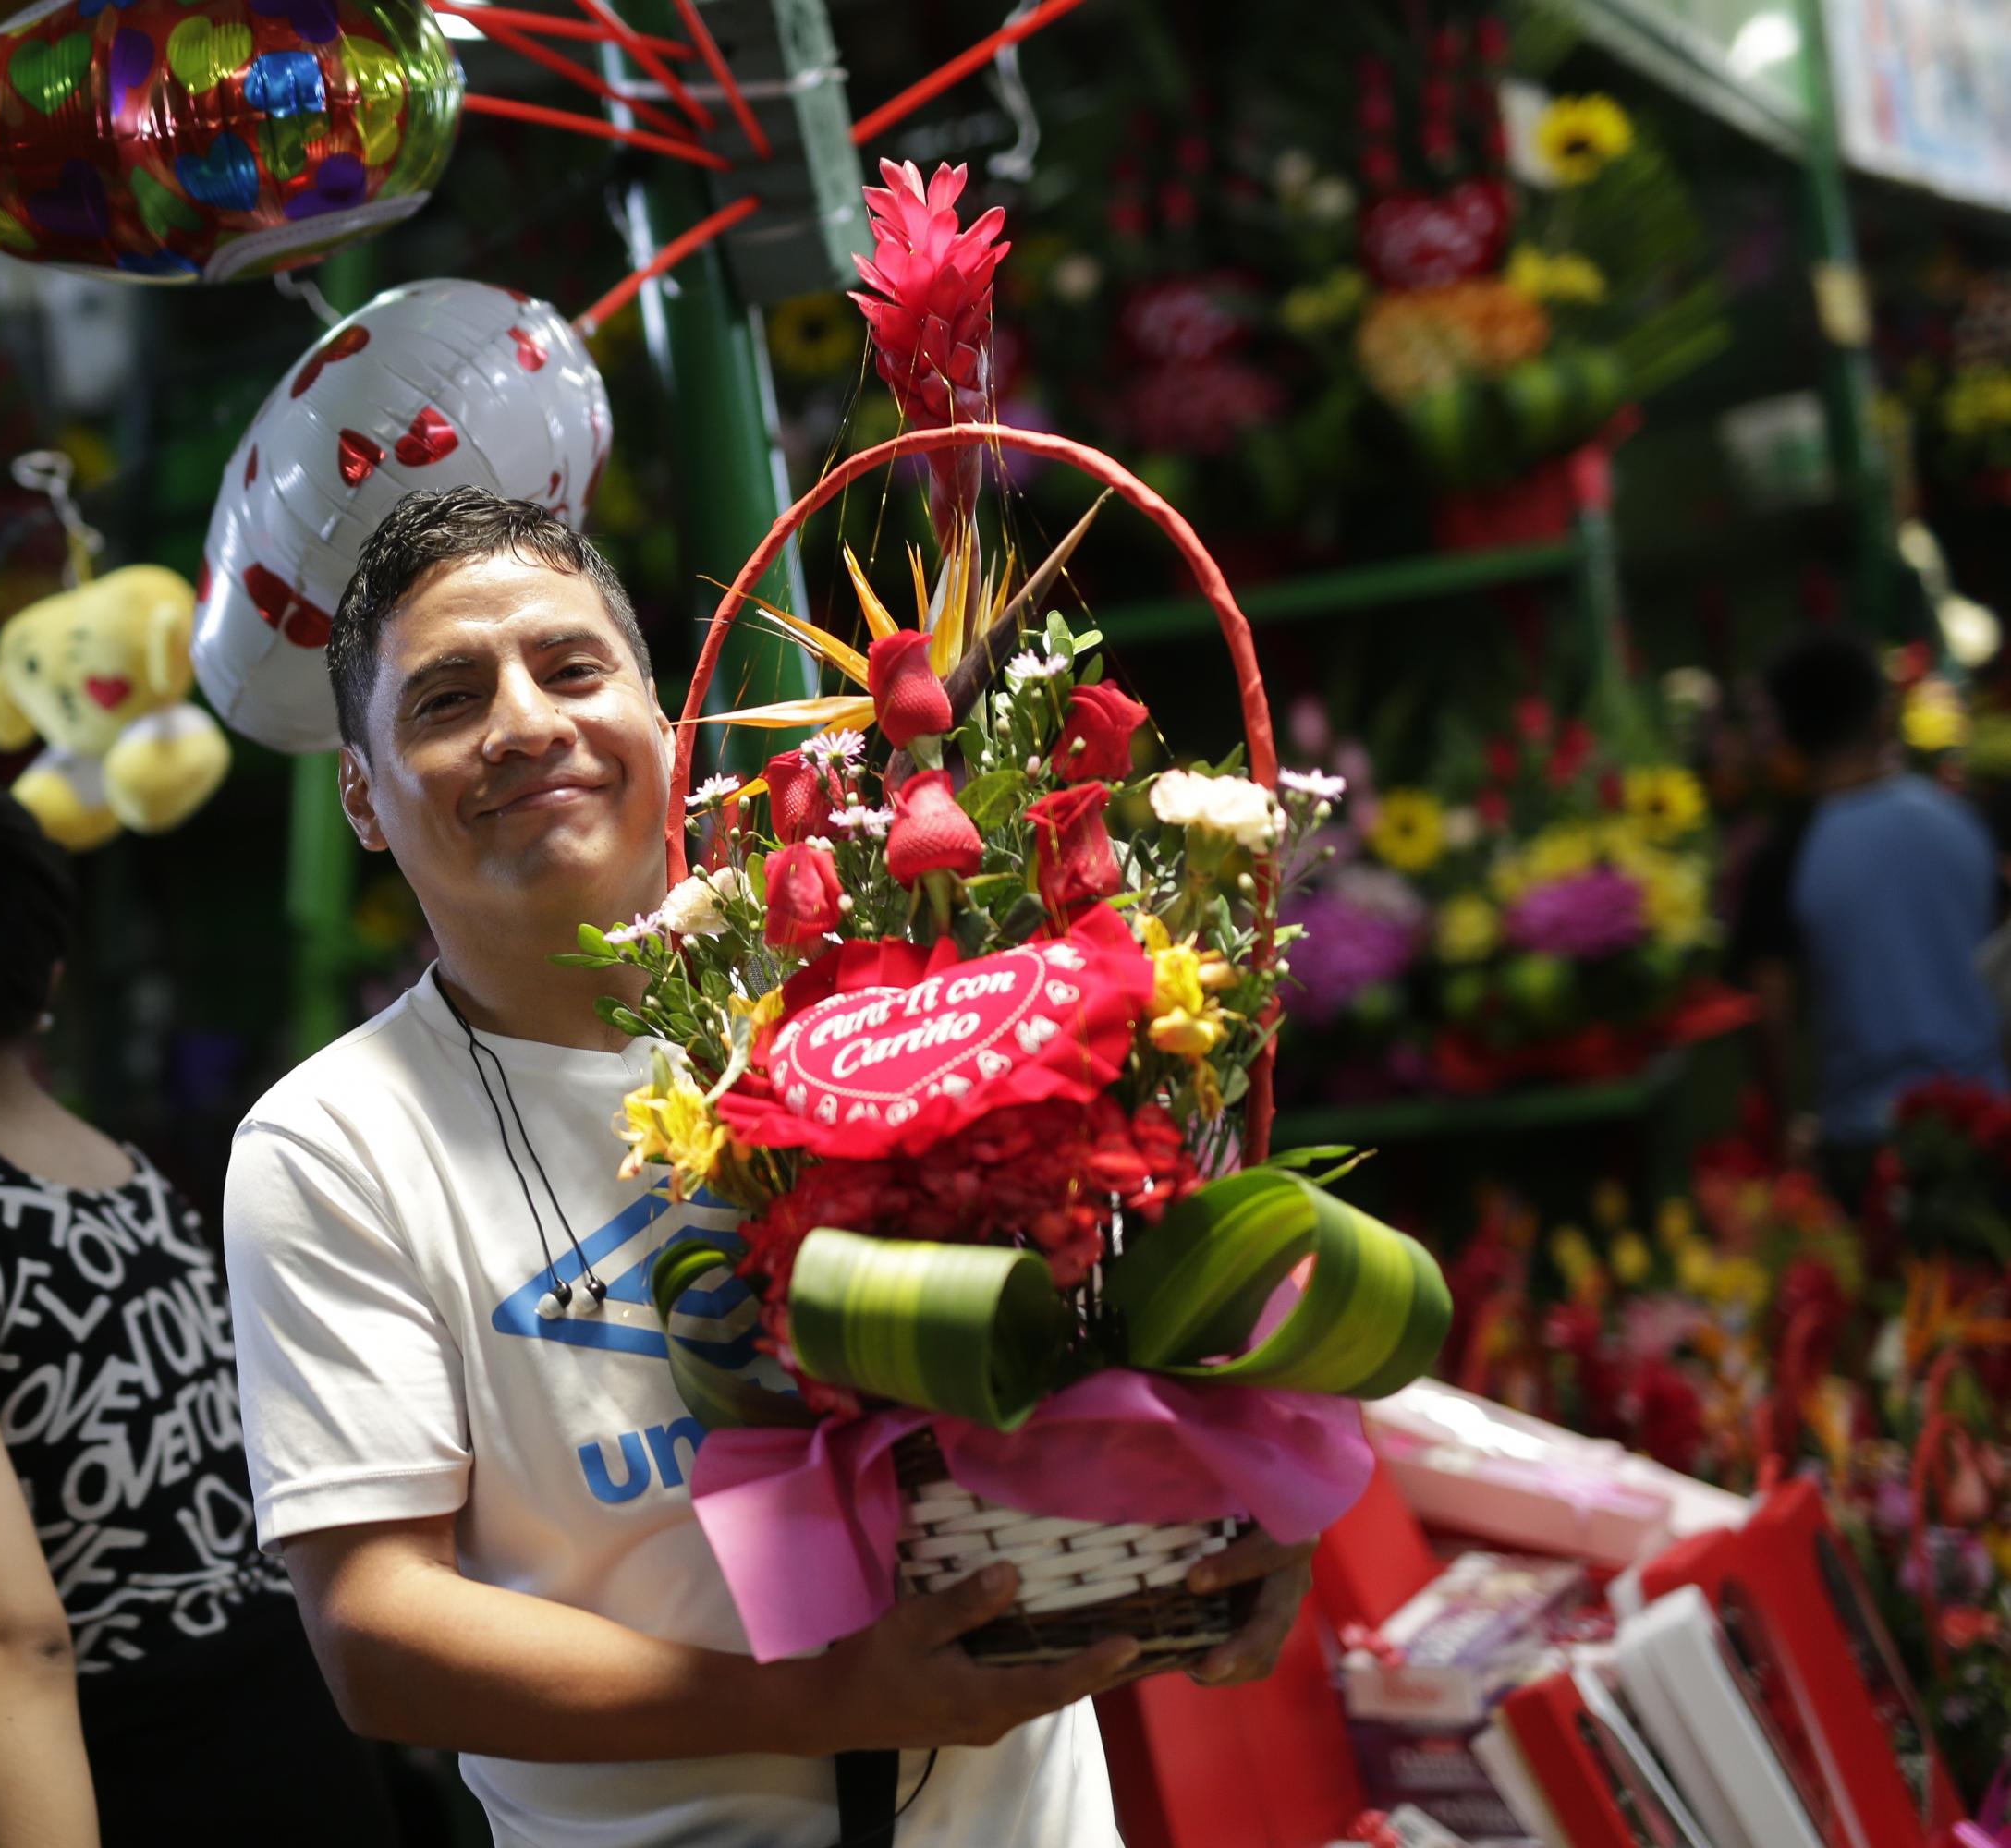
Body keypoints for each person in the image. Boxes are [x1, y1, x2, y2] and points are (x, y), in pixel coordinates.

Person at [223, 487, 1317, 1848]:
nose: (524, 724)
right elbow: (377, 1632)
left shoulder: (881, 973)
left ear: (664, 721)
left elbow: (1121, 1332)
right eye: (446, 701)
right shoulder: (334, 1145)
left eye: (571, 669)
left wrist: (1257, 1514)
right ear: (363, 797)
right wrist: (818, 1701)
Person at [0, 739, 396, 1848]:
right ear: (47, 978)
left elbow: (11, 1638)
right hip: (300, 1749)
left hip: (102, 1785)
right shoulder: (129, 1181)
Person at [1734, 632, 2006, 1201]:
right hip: (1991, 1120)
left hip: (1866, 1148)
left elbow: (1772, 1018)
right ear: (1880, 715)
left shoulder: (1785, 855)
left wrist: (1785, 1130)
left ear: (1786, 734)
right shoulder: (1960, 820)